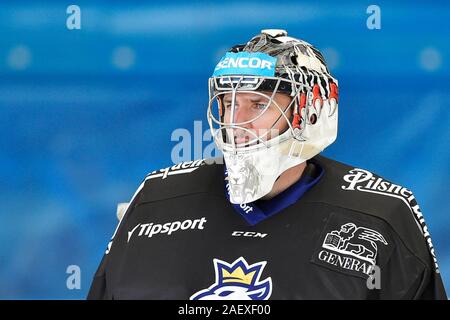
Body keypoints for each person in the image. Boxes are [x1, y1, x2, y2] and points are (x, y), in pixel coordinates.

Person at [87, 29, 447, 299]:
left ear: (310, 111)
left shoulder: (382, 212)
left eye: (259, 105)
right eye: (229, 103)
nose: (236, 122)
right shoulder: (156, 199)